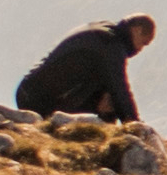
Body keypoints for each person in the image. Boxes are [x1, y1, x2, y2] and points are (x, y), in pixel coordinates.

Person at [15, 15, 156, 121]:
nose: (140, 49)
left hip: (28, 90)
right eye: (143, 43)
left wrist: (98, 103)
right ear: (137, 30)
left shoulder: (104, 31)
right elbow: (120, 90)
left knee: (108, 94)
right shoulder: (111, 45)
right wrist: (136, 127)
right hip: (37, 102)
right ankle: (106, 148)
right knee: (114, 100)